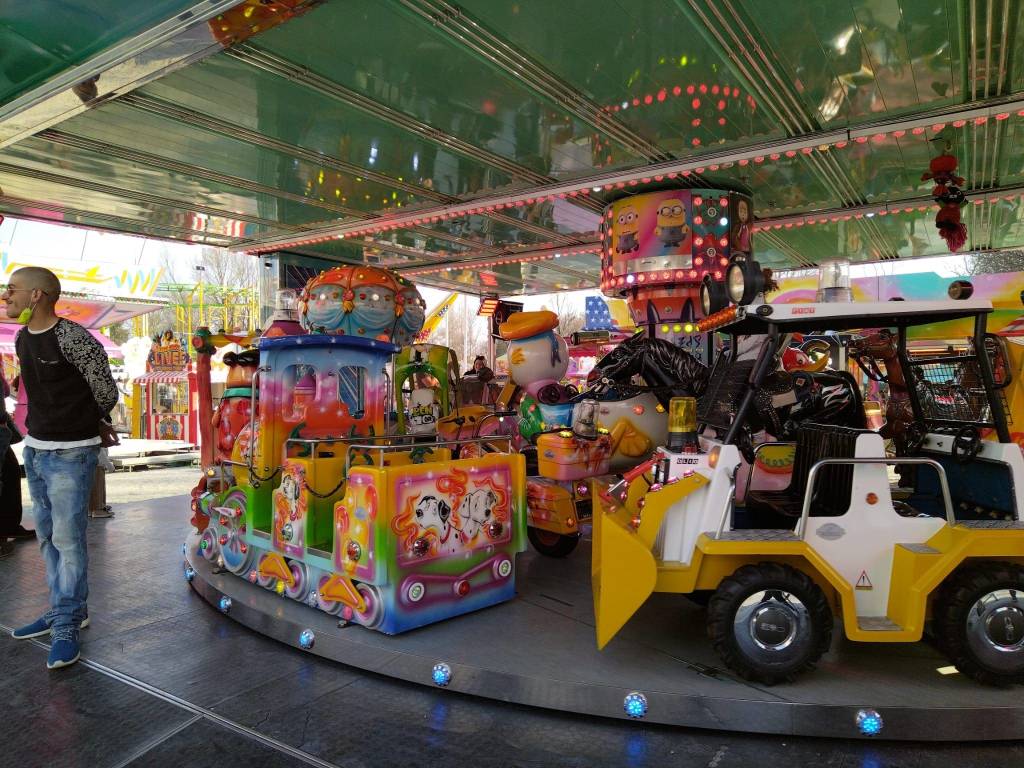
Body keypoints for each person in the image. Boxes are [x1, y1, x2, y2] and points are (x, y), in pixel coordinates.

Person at [2, 267, 117, 669]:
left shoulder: (73, 338)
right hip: (35, 448)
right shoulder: (20, 338)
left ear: (37, 295)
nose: (6, 296)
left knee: (68, 540)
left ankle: (67, 620)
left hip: (71, 452)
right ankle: (65, 609)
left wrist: (85, 425)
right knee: (49, 537)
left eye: (12, 289)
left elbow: (105, 390)